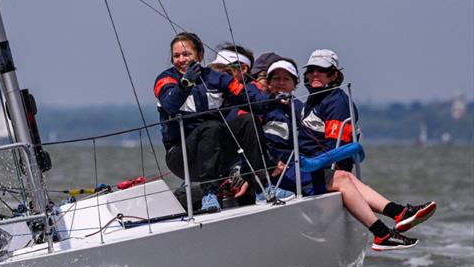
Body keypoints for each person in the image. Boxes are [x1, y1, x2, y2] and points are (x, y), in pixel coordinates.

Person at [293, 49, 436, 250]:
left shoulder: (336, 100)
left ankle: (391, 223)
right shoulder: (312, 101)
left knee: (345, 178)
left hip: (320, 171)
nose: (315, 74)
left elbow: (337, 147)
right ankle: (399, 214)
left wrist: (313, 165)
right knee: (347, 178)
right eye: (312, 70)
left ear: (334, 75)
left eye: (322, 70)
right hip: (315, 171)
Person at [154, 33, 274, 213]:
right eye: (176, 56)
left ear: (199, 55)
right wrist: (185, 83)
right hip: (181, 156)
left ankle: (261, 185)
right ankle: (209, 194)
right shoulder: (166, 79)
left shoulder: (215, 78)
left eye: (186, 54)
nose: (181, 59)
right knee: (211, 126)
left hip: (215, 150)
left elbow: (247, 96)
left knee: (247, 120)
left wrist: (274, 100)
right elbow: (170, 105)